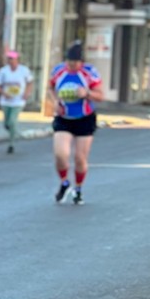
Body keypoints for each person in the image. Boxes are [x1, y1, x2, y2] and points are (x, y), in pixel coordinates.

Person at [49, 40, 104, 205]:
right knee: (61, 154)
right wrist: (55, 102)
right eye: (69, 62)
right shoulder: (59, 71)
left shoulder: (89, 73)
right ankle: (64, 182)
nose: (72, 65)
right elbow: (51, 88)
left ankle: (78, 188)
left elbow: (100, 95)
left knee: (80, 158)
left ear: (81, 61)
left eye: (75, 62)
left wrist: (86, 93)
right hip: (64, 118)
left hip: (84, 118)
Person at [0, 49, 33, 154]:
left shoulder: (24, 70)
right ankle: (13, 132)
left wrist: (27, 93)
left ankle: (11, 144)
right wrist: (3, 93)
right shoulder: (3, 71)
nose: (11, 61)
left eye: (12, 59)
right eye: (9, 59)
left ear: (17, 59)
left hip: (18, 101)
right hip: (6, 101)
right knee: (6, 123)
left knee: (12, 121)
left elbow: (30, 82)